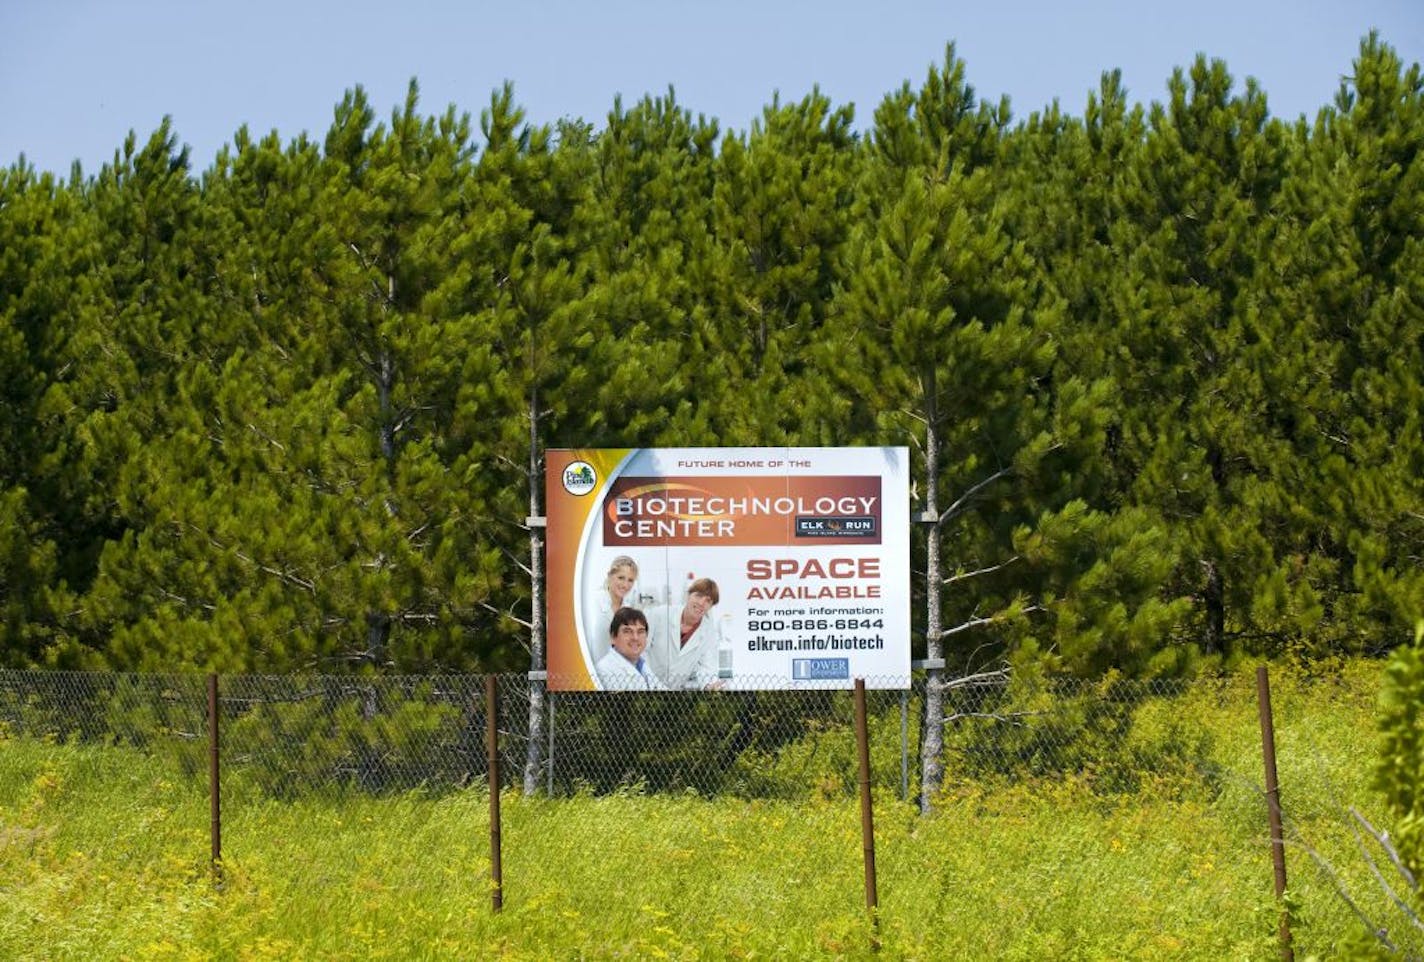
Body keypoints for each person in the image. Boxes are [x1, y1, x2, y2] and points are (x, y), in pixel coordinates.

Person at [645, 577, 724, 690]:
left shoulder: (709, 633)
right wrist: (649, 680)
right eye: (698, 595)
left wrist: (708, 685)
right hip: (645, 686)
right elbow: (641, 650)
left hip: (674, 694)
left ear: (711, 606)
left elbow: (706, 667)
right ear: (688, 595)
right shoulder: (659, 615)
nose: (702, 603)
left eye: (708, 601)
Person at [584, 555, 639, 665]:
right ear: (610, 576)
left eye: (630, 580)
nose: (625, 585)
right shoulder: (592, 602)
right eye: (621, 578)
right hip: (592, 671)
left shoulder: (630, 611)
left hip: (619, 674)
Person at [595, 607, 666, 691]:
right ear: (613, 637)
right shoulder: (605, 670)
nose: (635, 638)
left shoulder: (642, 666)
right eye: (627, 631)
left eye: (640, 632)